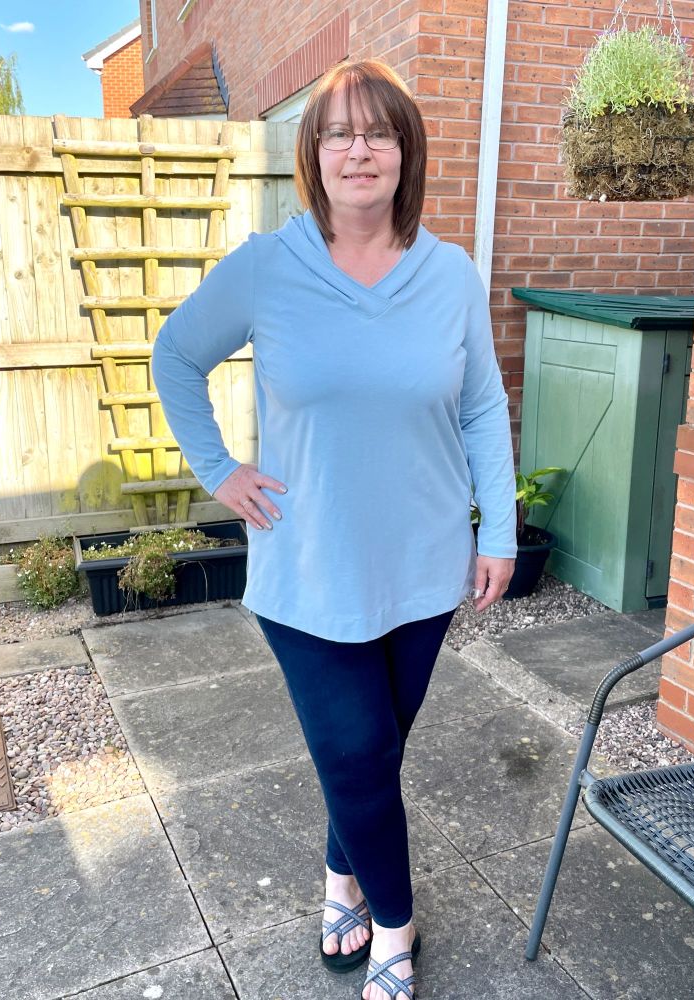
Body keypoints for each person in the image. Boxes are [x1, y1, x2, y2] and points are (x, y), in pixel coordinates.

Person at [151, 58, 516, 1000]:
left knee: (370, 753)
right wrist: (220, 471)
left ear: (406, 150)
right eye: (338, 133)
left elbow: (481, 408)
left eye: (379, 131)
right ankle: (396, 931)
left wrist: (498, 531)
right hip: (307, 570)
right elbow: (176, 354)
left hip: (425, 567)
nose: (360, 149)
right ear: (314, 154)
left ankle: (341, 877)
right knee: (354, 751)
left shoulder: (450, 277)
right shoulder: (269, 268)